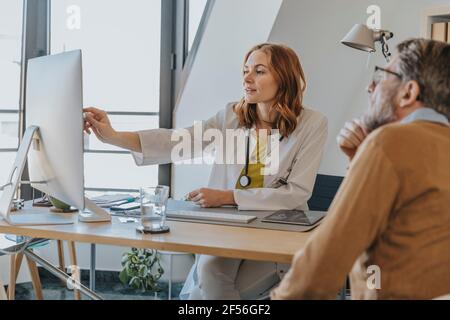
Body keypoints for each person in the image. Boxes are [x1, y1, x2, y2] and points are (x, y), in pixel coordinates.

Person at [84, 43, 328, 300]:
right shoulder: (230, 116)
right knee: (211, 272)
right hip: (229, 228)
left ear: (284, 78)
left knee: (211, 291)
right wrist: (113, 137)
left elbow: (296, 193)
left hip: (277, 231)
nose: (246, 78)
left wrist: (227, 197)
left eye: (259, 71)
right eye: (245, 70)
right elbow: (177, 141)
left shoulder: (312, 124)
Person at [271, 38, 450, 300]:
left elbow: (323, 265)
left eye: (383, 76)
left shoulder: (390, 143)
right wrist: (358, 158)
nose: (370, 87)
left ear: (409, 92)